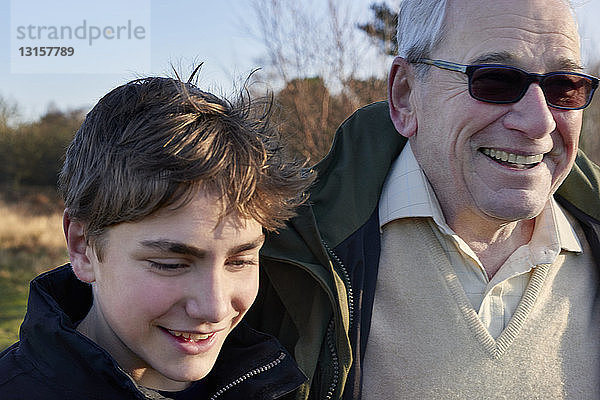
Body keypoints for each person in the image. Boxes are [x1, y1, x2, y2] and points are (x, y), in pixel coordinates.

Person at [246, 0, 600, 398]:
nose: (540, 122)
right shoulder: (269, 257)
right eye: (496, 80)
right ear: (406, 94)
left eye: (565, 87)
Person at [0, 73, 314, 399]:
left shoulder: (283, 379)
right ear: (82, 246)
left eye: (241, 260)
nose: (215, 308)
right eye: (170, 264)